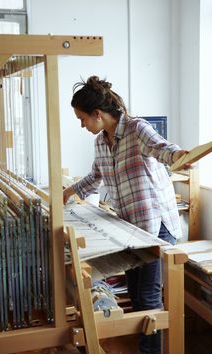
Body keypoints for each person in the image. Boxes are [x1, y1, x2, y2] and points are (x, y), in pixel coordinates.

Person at [63, 76, 187, 354]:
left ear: (97, 114)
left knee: (147, 296)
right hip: (131, 228)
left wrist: (181, 155)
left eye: (82, 118)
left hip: (156, 225)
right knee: (135, 294)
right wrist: (68, 192)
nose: (82, 125)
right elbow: (96, 177)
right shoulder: (100, 143)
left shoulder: (136, 129)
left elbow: (164, 150)